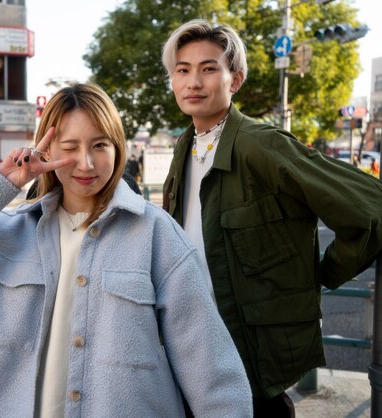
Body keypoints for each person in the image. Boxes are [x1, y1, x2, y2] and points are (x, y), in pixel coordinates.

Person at [0, 82, 252, 417]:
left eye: (100, 145)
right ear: (47, 151)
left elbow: (210, 367)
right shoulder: (10, 234)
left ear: (118, 148)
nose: (85, 163)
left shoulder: (157, 235)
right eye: (70, 147)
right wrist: (3, 182)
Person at [161, 19, 382, 417]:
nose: (193, 81)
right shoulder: (184, 147)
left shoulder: (262, 145)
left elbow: (370, 208)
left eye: (209, 68)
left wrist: (322, 274)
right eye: (182, 70)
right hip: (191, 353)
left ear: (236, 79)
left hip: (250, 364)